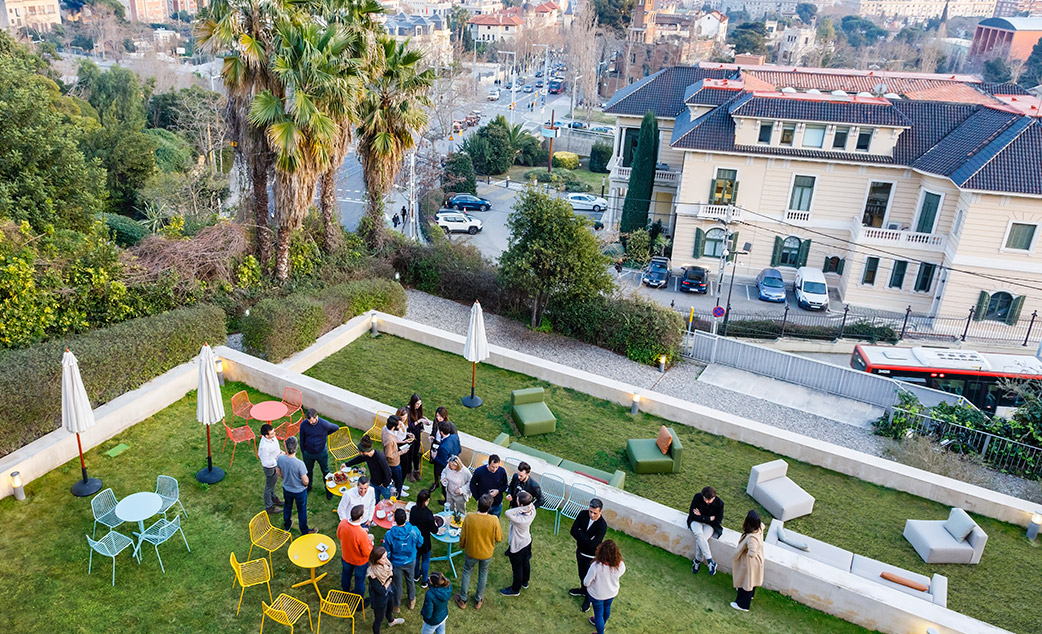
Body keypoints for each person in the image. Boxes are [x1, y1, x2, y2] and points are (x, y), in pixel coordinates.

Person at [454, 494, 503, 610]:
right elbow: (499, 538)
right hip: (486, 553)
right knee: (483, 574)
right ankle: (478, 599)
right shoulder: (494, 520)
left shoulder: (469, 517)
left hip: (471, 552)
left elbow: (463, 536)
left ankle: (463, 599)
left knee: (467, 572)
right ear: (490, 507)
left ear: (478, 504)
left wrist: (461, 546)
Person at [569, 498, 607, 613]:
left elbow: (593, 544)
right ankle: (583, 590)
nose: (592, 514)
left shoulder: (602, 525)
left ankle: (588, 598)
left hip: (591, 557)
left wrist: (580, 533)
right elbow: (573, 531)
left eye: (595, 513)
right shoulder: (582, 514)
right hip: (580, 551)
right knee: (581, 574)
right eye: (590, 511)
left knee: (589, 578)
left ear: (600, 512)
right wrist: (584, 537)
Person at [384, 508, 423, 612]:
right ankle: (411, 601)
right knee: (410, 580)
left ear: (394, 519)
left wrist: (389, 560)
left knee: (397, 584)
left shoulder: (389, 535)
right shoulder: (414, 530)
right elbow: (420, 542)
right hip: (410, 560)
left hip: (396, 563)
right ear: (406, 518)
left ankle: (396, 606)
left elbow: (387, 551)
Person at [583, 540, 626, 634]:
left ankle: (600, 631)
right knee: (607, 609)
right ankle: (602, 624)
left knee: (598, 615)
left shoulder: (596, 566)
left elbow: (586, 582)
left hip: (597, 595)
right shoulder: (620, 564)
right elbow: (621, 573)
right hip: (611, 593)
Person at [499, 490, 536, 597]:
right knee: (526, 562)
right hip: (527, 541)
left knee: (517, 568)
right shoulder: (532, 509)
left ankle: (515, 589)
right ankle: (525, 581)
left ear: (522, 505)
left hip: (518, 545)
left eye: (518, 500)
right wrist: (524, 504)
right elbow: (530, 502)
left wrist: (521, 507)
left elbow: (507, 512)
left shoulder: (520, 519)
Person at [276, 437, 315, 534]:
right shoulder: (300, 464)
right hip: (299, 492)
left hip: (287, 489)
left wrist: (285, 478)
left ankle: (287, 525)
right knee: (301, 510)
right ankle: (304, 531)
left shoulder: (280, 459)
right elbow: (305, 481)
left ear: (286, 447)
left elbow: (278, 472)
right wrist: (305, 485)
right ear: (296, 448)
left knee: (287, 506)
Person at [299, 408, 339, 500]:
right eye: (308, 420)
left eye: (311, 420)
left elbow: (336, 427)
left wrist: (325, 434)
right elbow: (302, 439)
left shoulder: (324, 424)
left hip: (321, 453)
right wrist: (303, 451)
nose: (310, 422)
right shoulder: (304, 425)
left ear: (316, 417)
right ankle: (309, 486)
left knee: (326, 471)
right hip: (308, 453)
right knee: (308, 471)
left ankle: (328, 489)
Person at [731, 510, 765, 613]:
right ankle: (750, 596)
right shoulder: (759, 529)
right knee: (751, 581)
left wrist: (745, 552)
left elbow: (752, 553)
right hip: (756, 562)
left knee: (747, 581)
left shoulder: (752, 538)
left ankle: (743, 605)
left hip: (750, 563)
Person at [338, 504, 374, 599]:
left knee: (346, 574)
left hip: (346, 556)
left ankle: (345, 593)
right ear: (361, 517)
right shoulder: (361, 534)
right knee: (359, 580)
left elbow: (339, 535)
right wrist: (370, 541)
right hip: (359, 562)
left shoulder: (343, 523)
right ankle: (358, 603)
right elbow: (367, 552)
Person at [687, 486, 724, 575]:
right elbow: (692, 515)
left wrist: (701, 516)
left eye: (708, 500)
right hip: (696, 521)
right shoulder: (697, 497)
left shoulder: (720, 504)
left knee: (701, 538)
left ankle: (697, 561)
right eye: (705, 499)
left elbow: (717, 521)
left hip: (710, 525)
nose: (706, 501)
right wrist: (708, 518)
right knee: (699, 535)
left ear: (714, 498)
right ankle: (710, 561)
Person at [367, 547, 405, 631]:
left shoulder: (386, 563)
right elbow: (381, 590)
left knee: (390, 608)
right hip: (379, 599)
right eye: (383, 558)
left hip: (389, 592)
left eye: (386, 556)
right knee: (378, 619)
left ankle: (391, 621)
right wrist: (389, 580)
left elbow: (392, 573)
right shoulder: (372, 573)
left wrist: (390, 578)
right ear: (377, 560)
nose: (386, 559)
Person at [345, 437, 393, 502]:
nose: (358, 452)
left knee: (387, 501)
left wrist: (385, 484)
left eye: (359, 451)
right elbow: (359, 459)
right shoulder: (366, 456)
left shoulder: (380, 458)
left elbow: (388, 472)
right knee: (373, 500)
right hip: (373, 482)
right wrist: (346, 464)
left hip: (383, 486)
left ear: (364, 451)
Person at [411, 489, 439, 588]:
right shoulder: (428, 514)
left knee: (416, 558)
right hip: (425, 541)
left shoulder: (413, 510)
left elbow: (411, 523)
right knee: (426, 560)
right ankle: (424, 581)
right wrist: (435, 524)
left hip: (415, 540)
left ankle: (416, 575)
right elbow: (434, 530)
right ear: (427, 500)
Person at [432, 420, 461, 505]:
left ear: (441, 432)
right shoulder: (455, 437)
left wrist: (435, 457)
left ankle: (447, 501)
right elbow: (459, 450)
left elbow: (443, 462)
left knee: (445, 486)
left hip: (447, 469)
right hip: (456, 463)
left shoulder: (444, 447)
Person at [382, 414, 411, 499]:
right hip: (393, 464)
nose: (400, 425)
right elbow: (389, 455)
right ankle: (396, 499)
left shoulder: (385, 429)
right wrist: (402, 451)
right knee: (398, 482)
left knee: (398, 479)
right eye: (399, 424)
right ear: (394, 426)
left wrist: (403, 442)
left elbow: (393, 440)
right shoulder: (389, 440)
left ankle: (400, 487)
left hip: (392, 462)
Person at [428, 407, 455, 495]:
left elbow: (453, 439)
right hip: (436, 444)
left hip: (444, 447)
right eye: (437, 416)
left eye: (440, 416)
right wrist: (432, 436)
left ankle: (445, 485)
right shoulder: (435, 422)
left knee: (444, 467)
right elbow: (433, 431)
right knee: (435, 465)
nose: (438, 418)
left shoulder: (450, 426)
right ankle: (436, 483)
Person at [257, 423, 283, 513]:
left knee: (272, 484)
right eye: (272, 434)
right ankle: (269, 507)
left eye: (274, 432)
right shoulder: (264, 447)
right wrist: (276, 460)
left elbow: (275, 449)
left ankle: (274, 498)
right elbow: (265, 462)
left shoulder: (272, 438)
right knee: (269, 487)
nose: (274, 434)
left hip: (275, 464)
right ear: (266, 436)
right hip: (270, 468)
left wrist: (280, 453)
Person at [405, 394, 431, 482]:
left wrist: (423, 421)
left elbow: (419, 421)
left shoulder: (418, 410)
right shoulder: (406, 411)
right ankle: (409, 472)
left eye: (420, 404)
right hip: (410, 435)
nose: (418, 406)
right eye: (417, 404)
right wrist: (419, 421)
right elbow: (409, 426)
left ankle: (416, 470)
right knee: (410, 454)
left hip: (417, 434)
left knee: (416, 453)